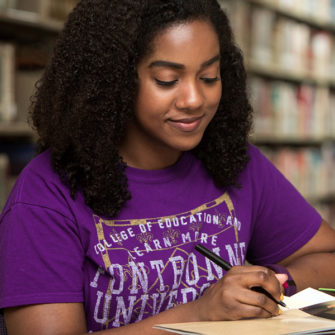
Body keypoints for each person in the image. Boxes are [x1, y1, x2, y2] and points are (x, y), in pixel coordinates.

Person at [0, 0, 335, 333]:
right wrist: (201, 312)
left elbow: (327, 258)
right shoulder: (45, 193)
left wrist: (269, 284)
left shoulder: (233, 162)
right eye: (166, 79)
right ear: (113, 81)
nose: (194, 99)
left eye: (208, 76)